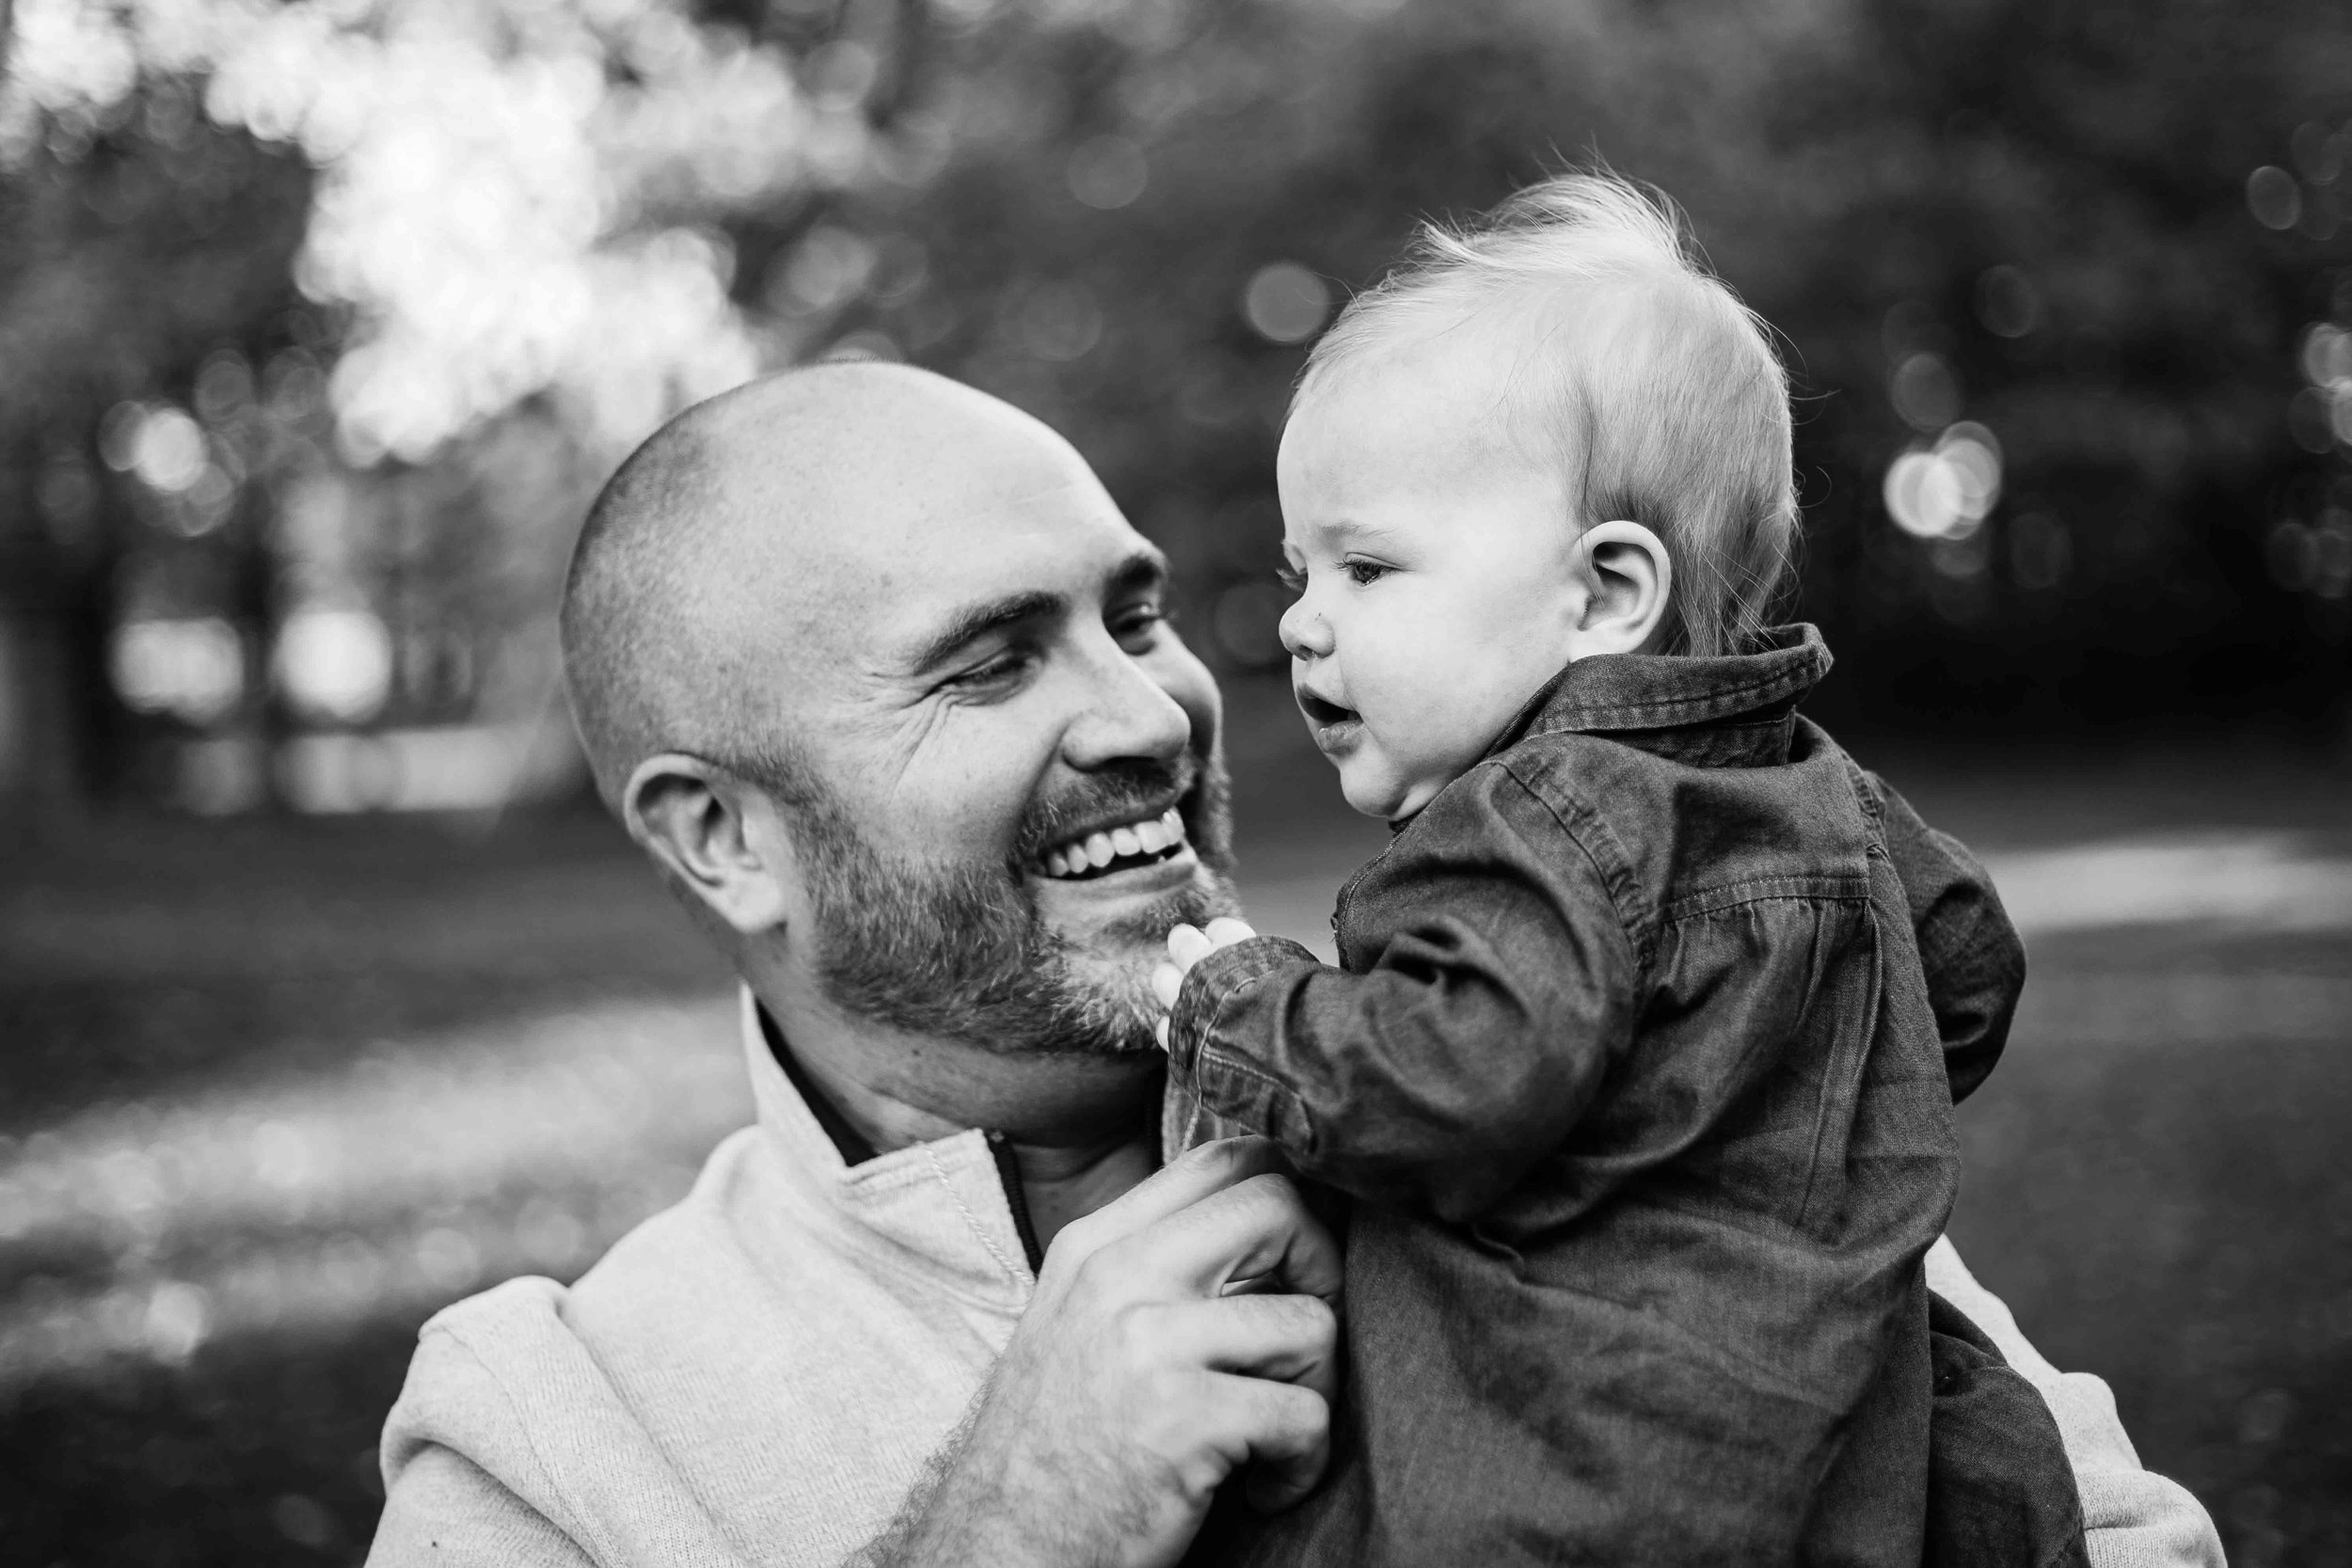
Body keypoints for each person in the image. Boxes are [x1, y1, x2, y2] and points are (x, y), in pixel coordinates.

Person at [364, 363, 2223, 1568]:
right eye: (989, 663)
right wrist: (1008, 1531)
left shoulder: (1629, 1064)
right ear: (722, 837)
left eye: (1136, 614)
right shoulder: (552, 1428)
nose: (1150, 713)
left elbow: (2128, 1539)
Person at [1151, 172, 2005, 1563]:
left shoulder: (1544, 811)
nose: (1303, 624)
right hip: (1835, 1464)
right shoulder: (1820, 790)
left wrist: (1238, 1001)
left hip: (1579, 1478)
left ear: (1606, 594)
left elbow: (1451, 1077)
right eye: (1300, 569)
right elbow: (1965, 970)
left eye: (1364, 569)